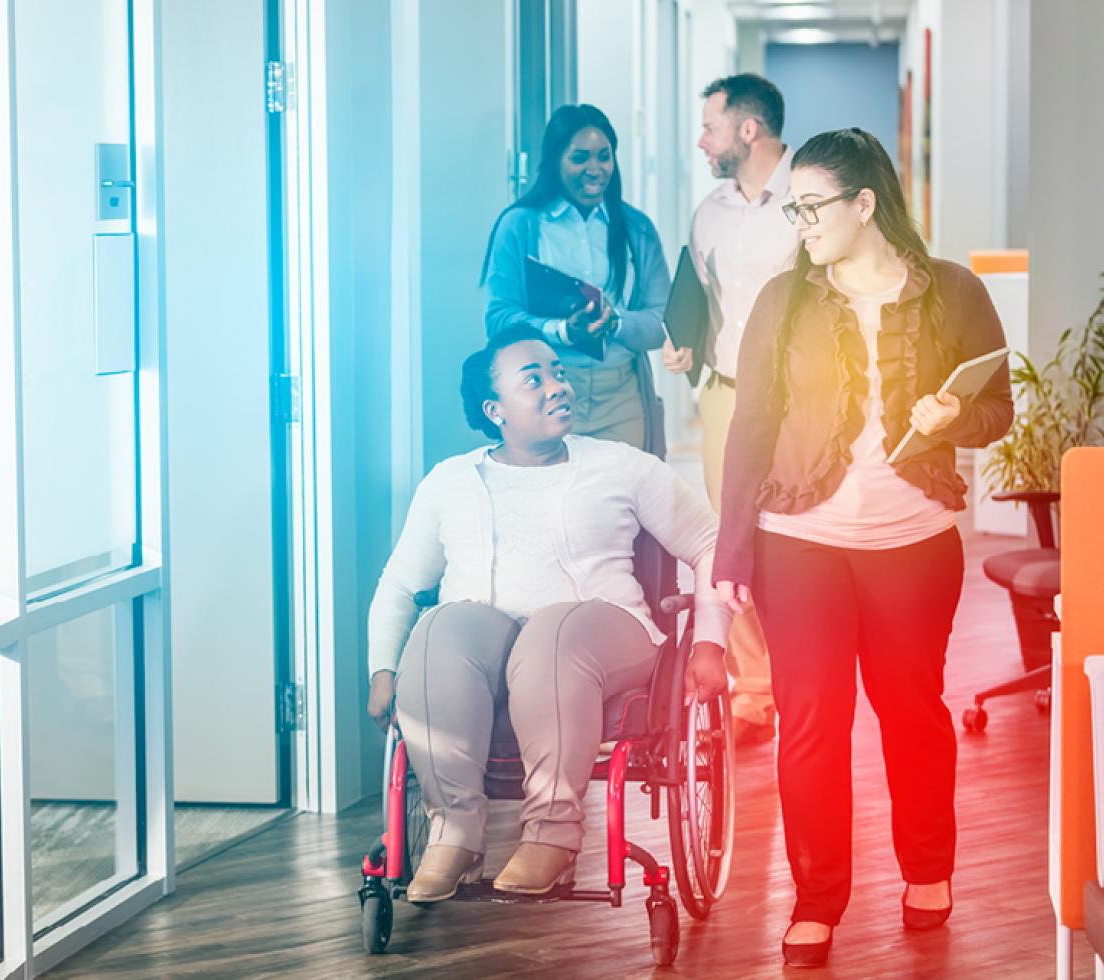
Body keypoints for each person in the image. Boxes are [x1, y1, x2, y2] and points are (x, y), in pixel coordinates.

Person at [701, 128, 1013, 967]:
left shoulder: (953, 292)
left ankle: (926, 867)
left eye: (810, 207)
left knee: (910, 711)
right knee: (811, 722)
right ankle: (815, 898)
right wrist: (731, 555)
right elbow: (750, 429)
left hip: (913, 542)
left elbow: (998, 413)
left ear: (863, 204)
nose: (798, 223)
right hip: (796, 542)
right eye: (793, 208)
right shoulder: (783, 300)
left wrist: (955, 418)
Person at [366, 325, 731, 903]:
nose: (556, 386)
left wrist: (710, 640)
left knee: (553, 632)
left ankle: (554, 834)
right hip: (488, 649)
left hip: (603, 632)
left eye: (558, 373)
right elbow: (400, 583)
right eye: (533, 379)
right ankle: (454, 833)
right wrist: (383, 667)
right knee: (439, 627)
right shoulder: (450, 482)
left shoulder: (622, 466)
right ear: (495, 409)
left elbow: (712, 541)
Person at [663, 73, 798, 745]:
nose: (700, 140)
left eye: (710, 127)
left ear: (748, 130)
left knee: (798, 535)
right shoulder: (710, 210)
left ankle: (806, 679)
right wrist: (681, 339)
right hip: (725, 392)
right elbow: (696, 285)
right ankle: (755, 692)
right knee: (730, 541)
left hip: (799, 397)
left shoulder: (811, 194)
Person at [481, 104, 670, 455]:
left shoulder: (636, 228)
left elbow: (662, 324)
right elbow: (498, 319)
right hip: (548, 392)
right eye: (580, 158)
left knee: (621, 503)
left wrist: (615, 322)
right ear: (556, 161)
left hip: (622, 395)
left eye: (604, 156)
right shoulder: (520, 224)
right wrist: (563, 330)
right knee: (553, 503)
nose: (595, 169)